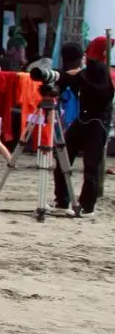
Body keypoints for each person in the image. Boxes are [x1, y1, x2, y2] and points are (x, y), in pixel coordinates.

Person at [52, 36, 115, 218]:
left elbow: (101, 93)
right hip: (84, 119)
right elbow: (69, 82)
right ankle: (62, 200)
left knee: (91, 166)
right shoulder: (88, 70)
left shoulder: (100, 69)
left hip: (97, 123)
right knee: (64, 155)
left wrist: (78, 77)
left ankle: (87, 205)